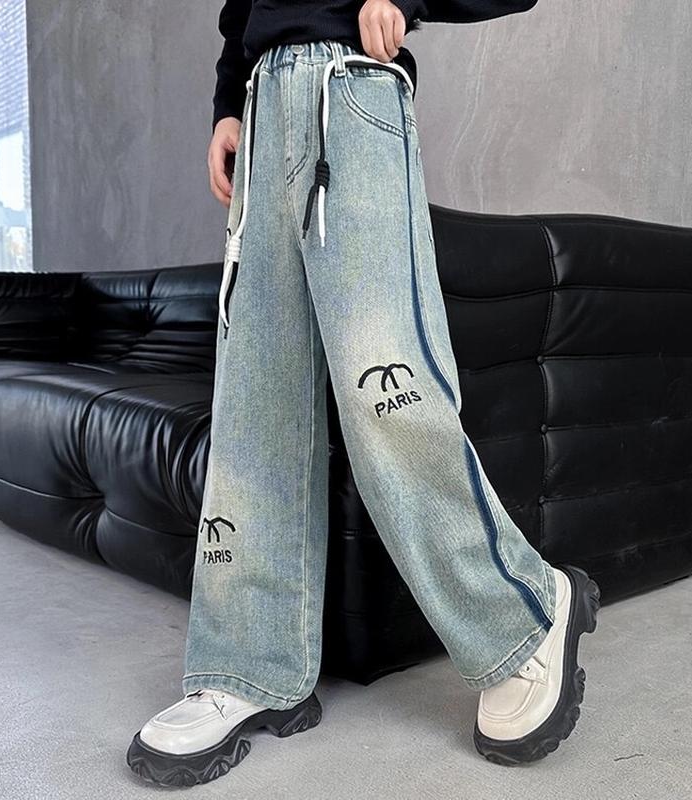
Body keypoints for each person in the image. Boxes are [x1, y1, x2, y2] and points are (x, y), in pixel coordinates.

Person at [126, 0, 601, 787]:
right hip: (263, 113)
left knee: (387, 393)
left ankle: (525, 616)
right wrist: (227, 104)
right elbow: (242, 10)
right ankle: (251, 664)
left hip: (351, 94)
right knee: (254, 413)